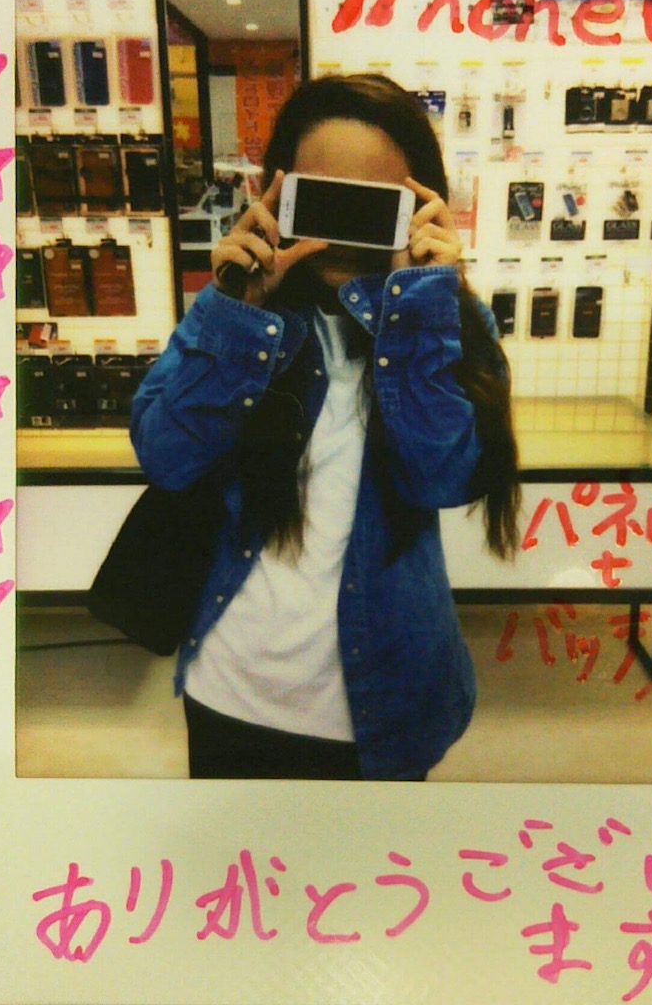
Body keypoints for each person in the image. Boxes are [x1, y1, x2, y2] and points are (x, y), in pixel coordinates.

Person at [131, 73, 520, 781]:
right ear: (274, 194)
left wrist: (421, 304)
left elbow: (442, 478)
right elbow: (167, 456)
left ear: (421, 208)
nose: (340, 232)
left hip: (384, 697)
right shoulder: (236, 314)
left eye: (370, 207)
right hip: (229, 689)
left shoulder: (450, 322)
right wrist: (237, 308)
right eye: (322, 201)